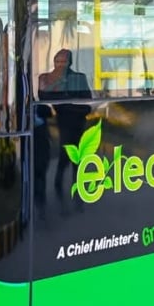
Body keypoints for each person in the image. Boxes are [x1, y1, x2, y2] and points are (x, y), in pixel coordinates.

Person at [38, 49, 92, 198]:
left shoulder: (79, 78)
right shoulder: (46, 78)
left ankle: (79, 191)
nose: (61, 65)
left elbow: (87, 100)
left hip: (78, 121)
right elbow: (44, 98)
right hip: (60, 123)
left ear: (70, 63)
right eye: (58, 62)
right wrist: (58, 81)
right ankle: (58, 187)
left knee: (78, 158)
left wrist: (72, 107)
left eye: (64, 62)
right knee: (64, 157)